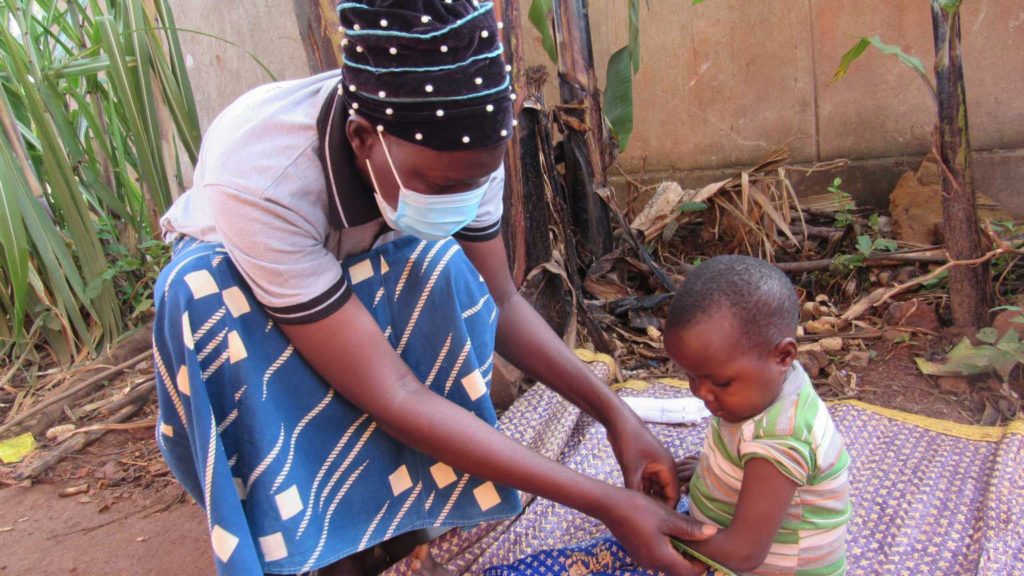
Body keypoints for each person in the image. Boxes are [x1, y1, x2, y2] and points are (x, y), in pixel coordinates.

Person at [153, 2, 714, 574]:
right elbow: (393, 394)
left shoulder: (465, 143)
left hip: (361, 272)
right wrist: (604, 503)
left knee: (441, 266)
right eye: (441, 185)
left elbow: (500, 301)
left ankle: (409, 519)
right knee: (199, 294)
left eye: (477, 180)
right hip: (249, 299)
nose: (462, 197)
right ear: (362, 138)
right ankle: (312, 536)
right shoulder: (263, 176)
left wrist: (617, 418)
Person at [664, 255, 851, 575]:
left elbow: (743, 554)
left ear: (784, 356)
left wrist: (660, 527)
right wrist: (717, 475)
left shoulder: (781, 438)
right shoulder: (759, 388)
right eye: (691, 377)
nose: (701, 393)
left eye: (720, 382)